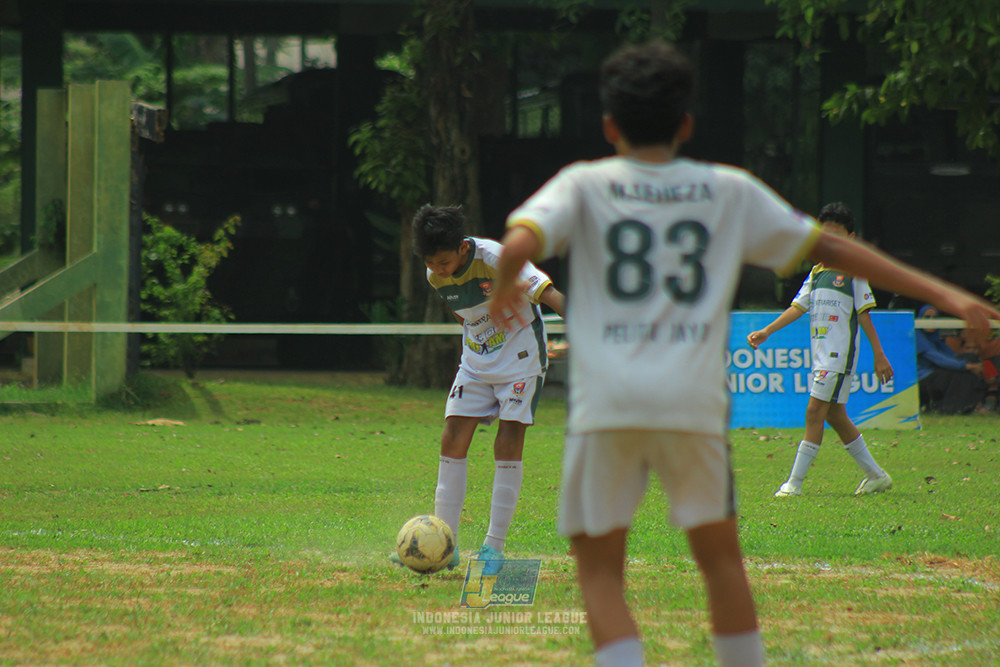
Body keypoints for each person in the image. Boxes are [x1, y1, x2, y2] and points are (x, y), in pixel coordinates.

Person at [486, 40, 1000, 667]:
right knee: (722, 564)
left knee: (599, 571)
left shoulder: (583, 183)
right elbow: (837, 253)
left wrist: (505, 290)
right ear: (686, 125)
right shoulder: (726, 189)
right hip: (692, 408)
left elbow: (518, 241)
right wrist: (946, 290)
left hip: (607, 409)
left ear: (609, 126)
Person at [396, 204, 565, 573]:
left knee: (507, 440)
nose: (437, 269)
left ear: (461, 248)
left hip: (520, 358)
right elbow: (464, 314)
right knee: (452, 437)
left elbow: (547, 292)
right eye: (431, 262)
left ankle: (493, 547)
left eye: (443, 261)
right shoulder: (433, 275)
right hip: (476, 360)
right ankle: (443, 543)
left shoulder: (497, 258)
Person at [746, 202, 894, 498]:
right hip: (821, 356)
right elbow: (797, 307)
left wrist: (879, 354)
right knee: (835, 415)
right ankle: (876, 476)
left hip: (837, 356)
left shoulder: (855, 271)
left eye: (836, 234)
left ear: (850, 237)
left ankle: (794, 485)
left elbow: (864, 314)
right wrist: (766, 331)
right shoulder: (816, 272)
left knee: (814, 411)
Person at [915, 305, 988, 414]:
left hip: (936, 376)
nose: (931, 321)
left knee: (970, 358)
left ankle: (967, 406)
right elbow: (938, 359)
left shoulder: (935, 338)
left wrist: (973, 364)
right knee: (960, 372)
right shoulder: (918, 336)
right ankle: (956, 407)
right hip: (922, 381)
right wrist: (967, 366)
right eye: (927, 317)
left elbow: (951, 356)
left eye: (934, 318)